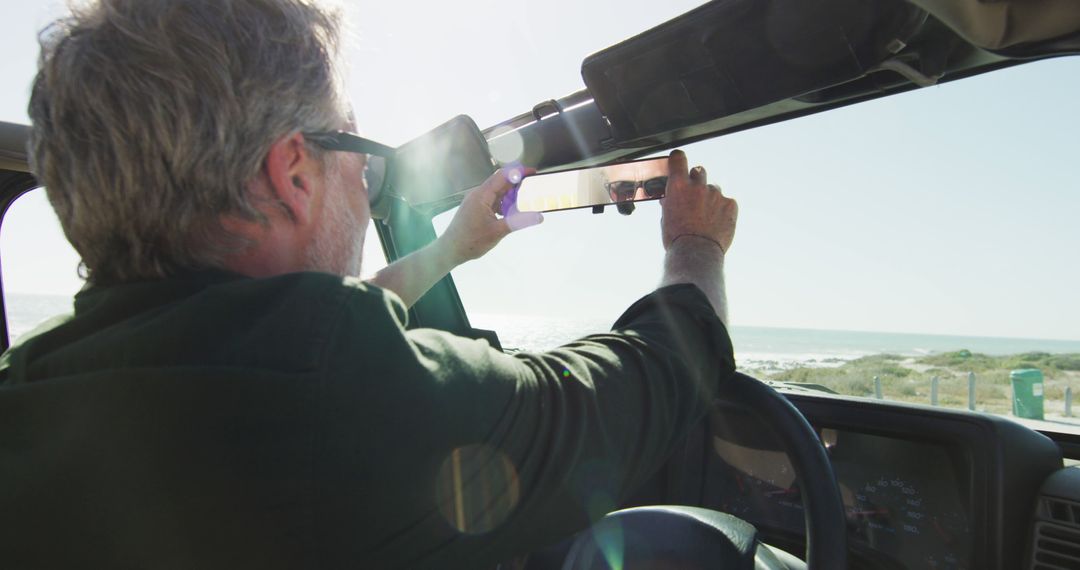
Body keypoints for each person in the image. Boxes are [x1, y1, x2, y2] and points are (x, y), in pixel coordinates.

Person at [0, 0, 739, 568]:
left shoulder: (31, 386)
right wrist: (695, 245)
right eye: (357, 148)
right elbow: (643, 385)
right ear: (293, 175)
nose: (362, 174)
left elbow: (280, 334)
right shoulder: (336, 392)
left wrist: (451, 248)